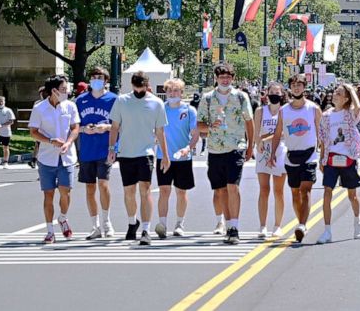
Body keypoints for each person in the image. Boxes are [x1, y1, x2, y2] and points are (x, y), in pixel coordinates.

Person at [107, 71, 170, 246]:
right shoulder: (122, 101)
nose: (139, 89)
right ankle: (131, 222)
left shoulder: (156, 103)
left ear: (147, 85)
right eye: (136, 86)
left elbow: (160, 131)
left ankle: (145, 229)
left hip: (146, 153)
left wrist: (165, 155)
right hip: (126, 153)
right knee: (129, 192)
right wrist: (112, 149)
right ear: (132, 85)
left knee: (145, 190)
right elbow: (114, 127)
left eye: (142, 86)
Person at [197, 63, 254, 245]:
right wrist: (209, 126)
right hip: (215, 148)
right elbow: (200, 125)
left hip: (235, 146)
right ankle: (228, 225)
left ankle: (235, 227)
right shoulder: (207, 99)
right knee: (220, 190)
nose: (225, 80)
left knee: (233, 187)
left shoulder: (240, 97)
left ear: (232, 78)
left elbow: (249, 122)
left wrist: (250, 145)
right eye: (222, 77)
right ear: (216, 78)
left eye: (228, 77)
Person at [28, 75, 80, 243]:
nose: (67, 92)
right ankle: (50, 231)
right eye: (63, 89)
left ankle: (63, 218)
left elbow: (75, 127)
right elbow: (33, 131)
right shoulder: (39, 108)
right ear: (54, 91)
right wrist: (50, 141)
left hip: (67, 156)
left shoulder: (70, 106)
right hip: (46, 157)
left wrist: (69, 142)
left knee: (66, 191)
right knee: (48, 194)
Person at [315, 84, 360, 244]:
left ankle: (358, 219)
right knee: (327, 192)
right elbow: (324, 139)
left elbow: (358, 107)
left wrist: (350, 89)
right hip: (331, 158)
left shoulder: (349, 114)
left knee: (352, 195)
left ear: (345, 98)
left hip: (348, 158)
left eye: (339, 93)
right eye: (335, 92)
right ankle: (327, 230)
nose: (334, 95)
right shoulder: (326, 116)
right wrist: (322, 159)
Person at [277, 74, 322, 242]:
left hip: (309, 154)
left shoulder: (313, 108)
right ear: (290, 88)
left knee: (306, 190)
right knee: (295, 193)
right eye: (294, 85)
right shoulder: (284, 110)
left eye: (299, 85)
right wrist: (272, 153)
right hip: (291, 155)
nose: (296, 88)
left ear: (304, 87)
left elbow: (321, 132)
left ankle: (302, 224)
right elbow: (277, 133)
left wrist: (323, 154)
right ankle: (301, 222)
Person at [74, 67, 118, 239]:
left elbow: (120, 124)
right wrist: (85, 129)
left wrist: (105, 127)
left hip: (105, 148)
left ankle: (107, 222)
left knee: (103, 184)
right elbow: (74, 125)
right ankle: (95, 225)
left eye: (99, 77)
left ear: (106, 80)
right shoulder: (81, 100)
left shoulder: (113, 99)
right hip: (86, 149)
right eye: (93, 77)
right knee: (89, 187)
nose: (96, 80)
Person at [154, 79, 198, 239]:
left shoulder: (189, 110)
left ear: (181, 92)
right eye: (170, 91)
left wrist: (188, 148)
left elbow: (195, 134)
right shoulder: (160, 109)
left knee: (181, 192)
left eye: (176, 91)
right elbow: (155, 131)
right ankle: (162, 224)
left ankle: (179, 223)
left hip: (183, 158)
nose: (173, 94)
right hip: (163, 157)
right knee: (164, 190)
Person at [253, 81, 287, 239]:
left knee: (278, 191)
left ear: (282, 95)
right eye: (271, 91)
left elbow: (283, 133)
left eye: (277, 92)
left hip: (280, 151)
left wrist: (266, 139)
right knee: (264, 189)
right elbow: (256, 132)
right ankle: (262, 226)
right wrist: (258, 143)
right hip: (263, 153)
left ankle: (278, 225)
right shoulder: (260, 111)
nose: (274, 95)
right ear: (267, 94)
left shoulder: (285, 111)